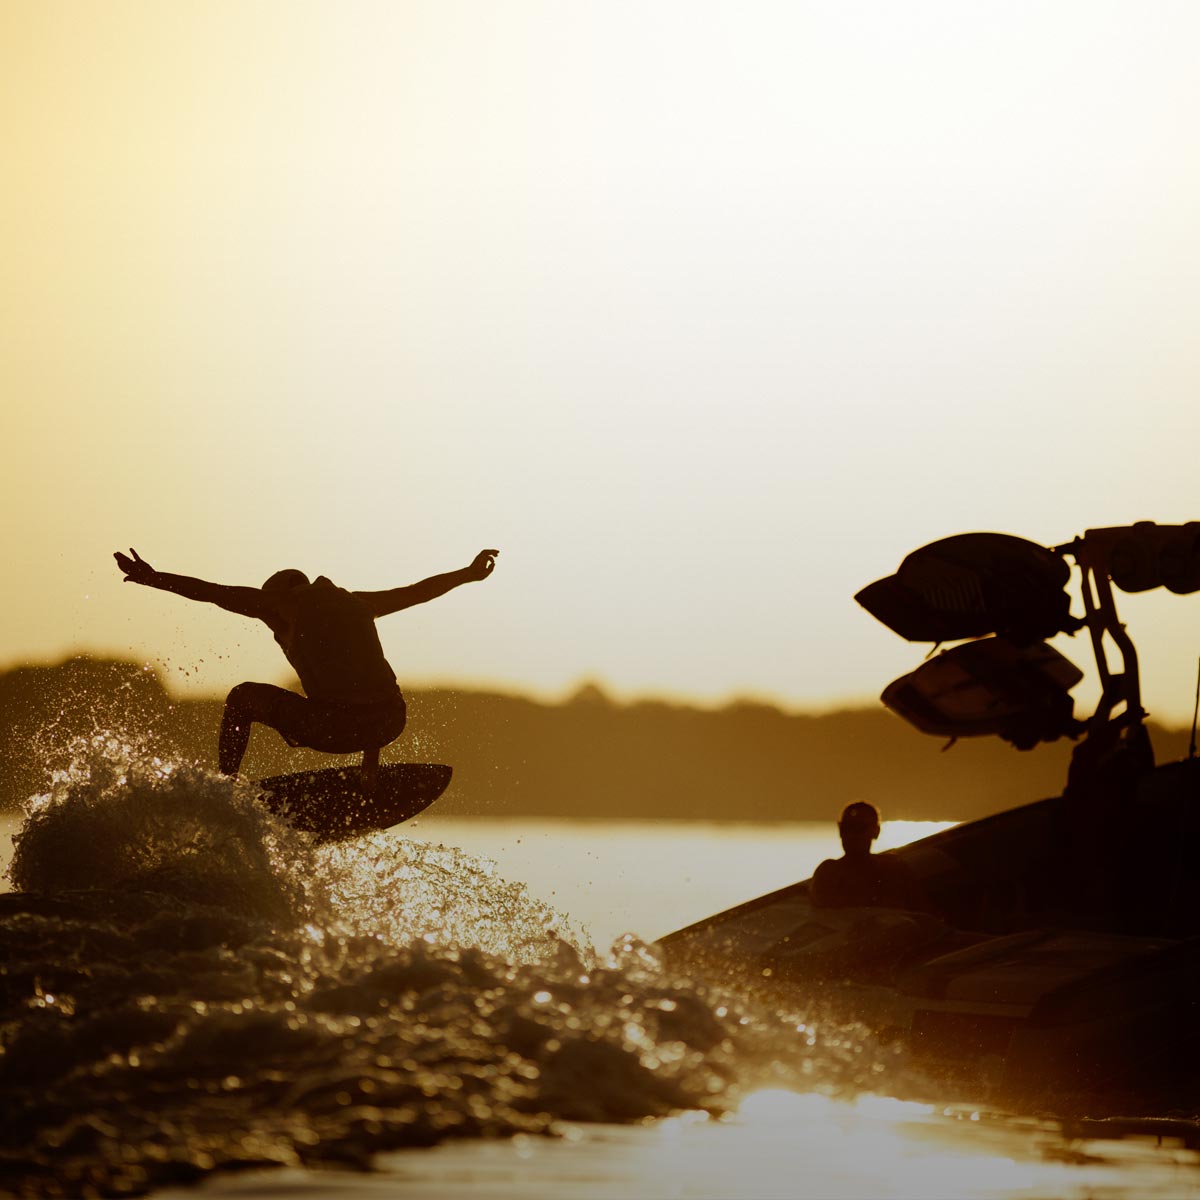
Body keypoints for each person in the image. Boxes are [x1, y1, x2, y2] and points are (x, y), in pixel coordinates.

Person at [113, 546, 498, 782]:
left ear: (275, 598)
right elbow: (415, 593)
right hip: (388, 721)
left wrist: (152, 577)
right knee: (359, 679)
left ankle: (226, 785)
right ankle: (369, 771)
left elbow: (212, 593)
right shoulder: (357, 601)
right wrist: (467, 573)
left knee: (242, 697)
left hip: (334, 727)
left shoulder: (278, 606)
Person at [810, 801, 930, 910]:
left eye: (860, 829)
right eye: (847, 828)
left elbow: (918, 905)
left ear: (875, 832)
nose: (852, 835)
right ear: (840, 830)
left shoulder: (894, 867)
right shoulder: (829, 871)